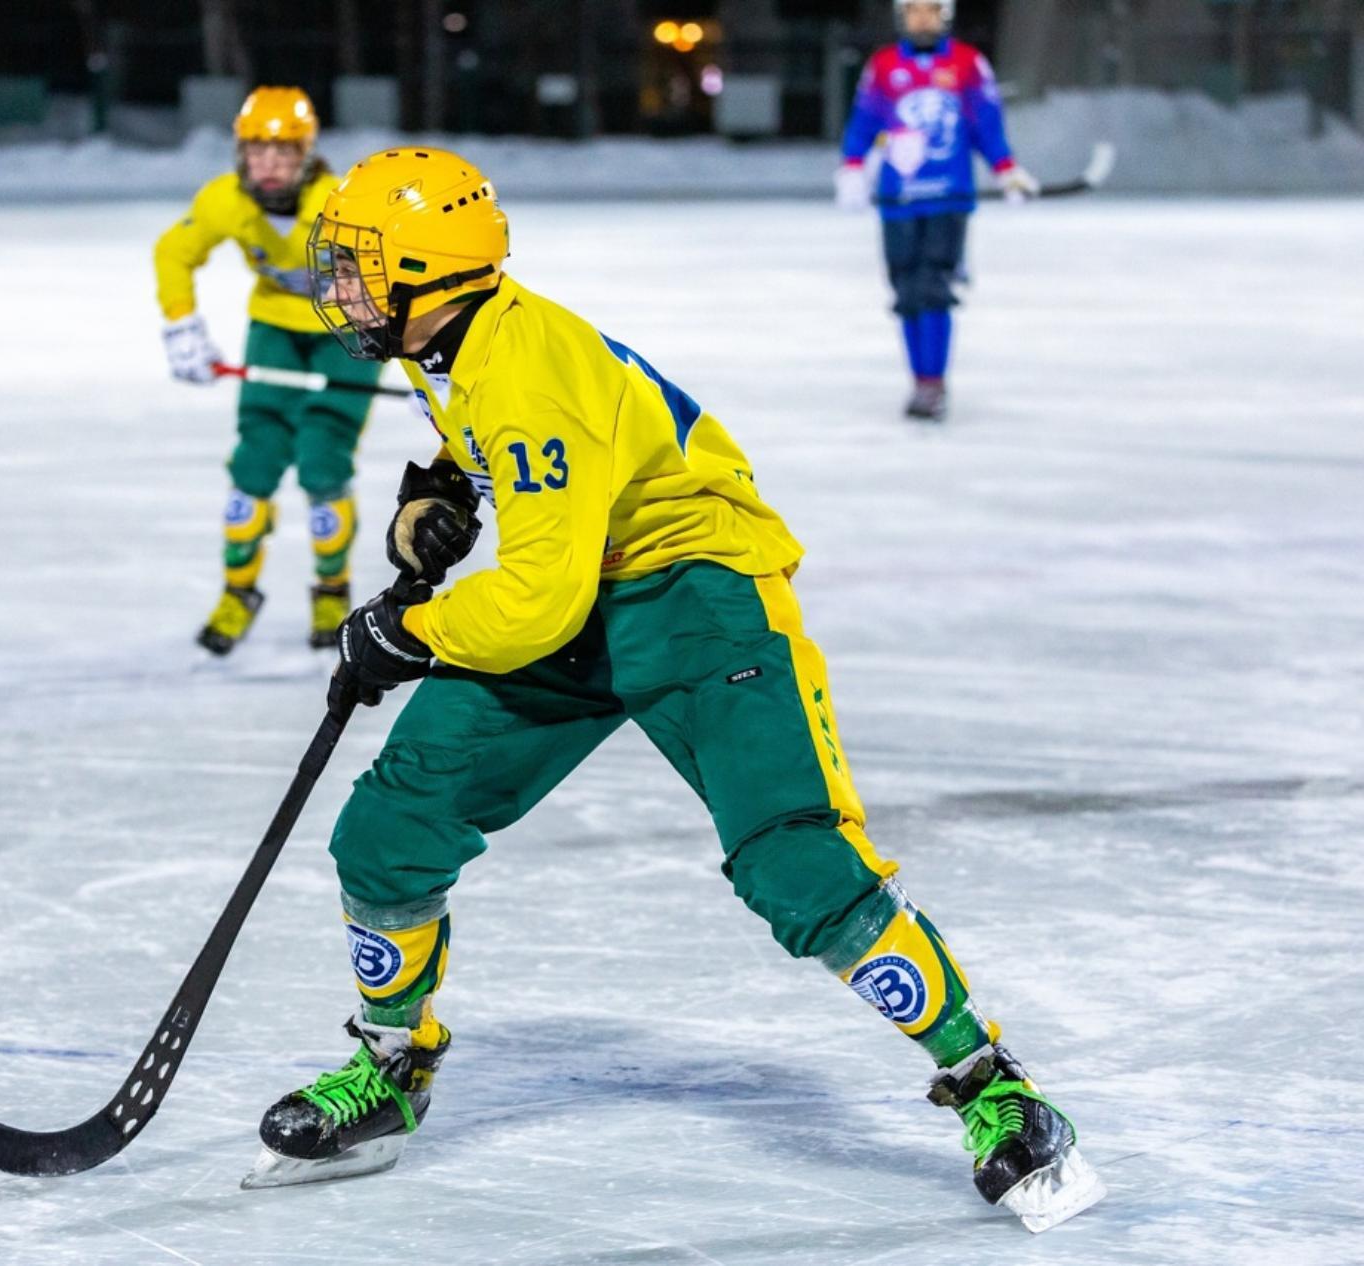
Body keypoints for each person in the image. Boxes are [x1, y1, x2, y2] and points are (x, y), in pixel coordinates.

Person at [244, 147, 1103, 1232]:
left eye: (361, 268)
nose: (340, 289)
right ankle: (388, 1068)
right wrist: (447, 492)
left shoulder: (523, 371)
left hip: (698, 593)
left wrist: (401, 629)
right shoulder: (438, 334)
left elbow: (533, 606)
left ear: (430, 268)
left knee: (792, 861)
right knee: (388, 831)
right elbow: (505, 470)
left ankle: (995, 1090)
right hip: (578, 582)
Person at [153, 86, 383, 653]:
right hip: (274, 333)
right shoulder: (225, 201)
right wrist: (182, 325)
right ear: (241, 154)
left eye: (284, 153)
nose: (271, 166)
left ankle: (331, 589)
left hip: (344, 337)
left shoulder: (340, 204)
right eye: (258, 153)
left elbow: (392, 271)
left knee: (322, 460)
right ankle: (239, 591)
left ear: (306, 154)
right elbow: (172, 252)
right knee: (254, 461)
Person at [834, 0, 1041, 421]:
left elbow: (986, 123)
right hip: (898, 202)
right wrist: (853, 167)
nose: (922, 18)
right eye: (913, 10)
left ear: (944, 15)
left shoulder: (967, 64)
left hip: (948, 198)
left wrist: (1006, 168)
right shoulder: (885, 65)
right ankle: (919, 381)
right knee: (907, 293)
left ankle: (934, 383)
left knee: (934, 289)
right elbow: (864, 121)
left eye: (931, 10)